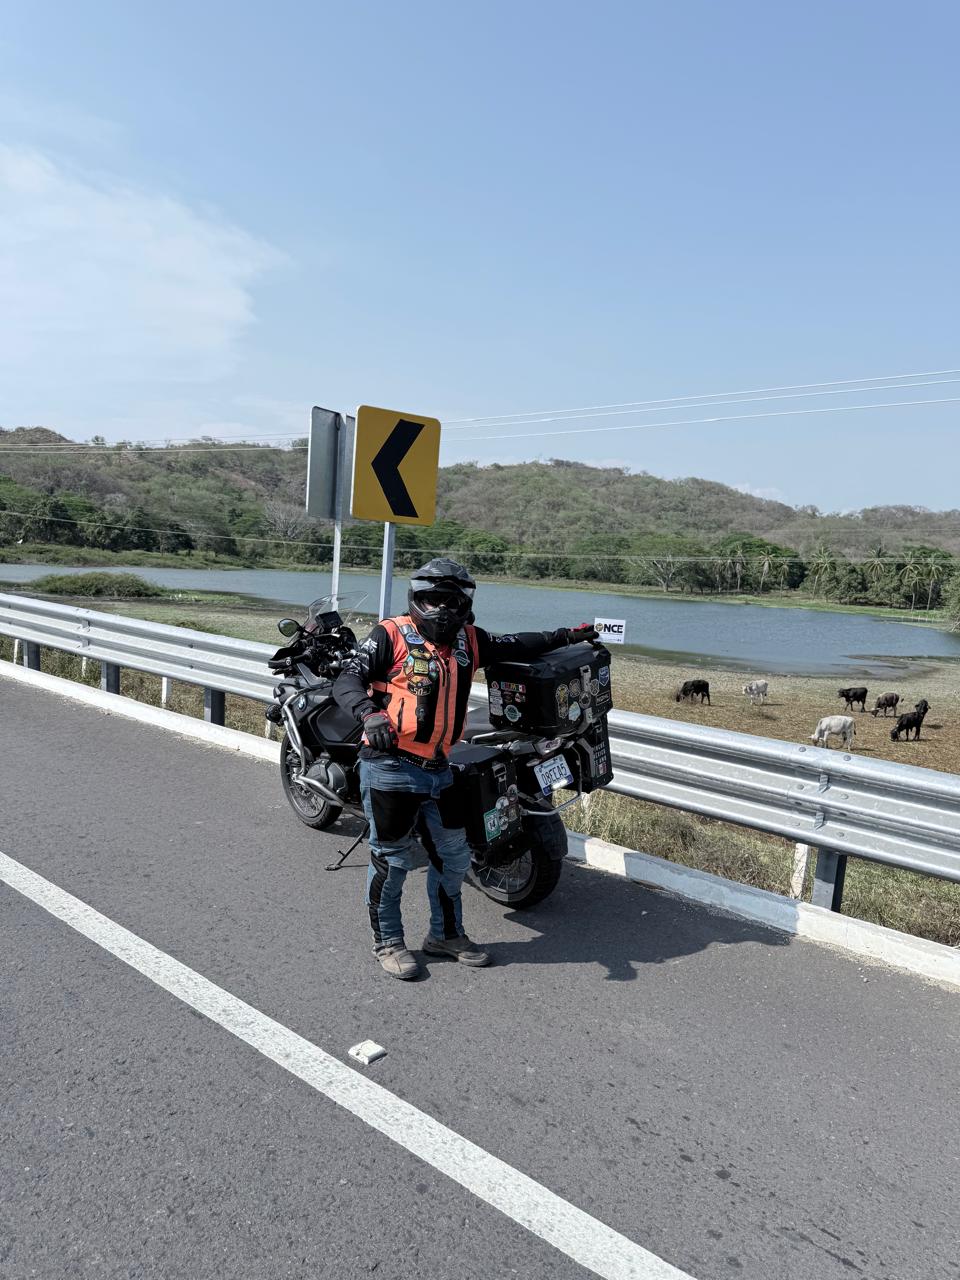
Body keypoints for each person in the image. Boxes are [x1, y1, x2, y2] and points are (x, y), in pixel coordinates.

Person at [333, 558, 598, 980]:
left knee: (454, 858)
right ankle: (387, 941)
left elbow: (517, 643)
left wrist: (566, 634)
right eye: (431, 600)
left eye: (451, 601)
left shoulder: (468, 642)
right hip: (390, 767)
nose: (441, 609)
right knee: (392, 861)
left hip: (441, 768)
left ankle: (446, 936)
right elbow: (347, 679)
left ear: (465, 605)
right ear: (416, 599)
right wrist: (368, 713)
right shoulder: (390, 635)